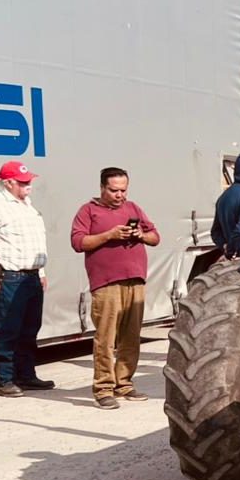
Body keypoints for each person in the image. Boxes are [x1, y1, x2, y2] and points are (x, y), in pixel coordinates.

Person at [70, 167, 160, 409]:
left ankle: (125, 384)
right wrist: (109, 235)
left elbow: (155, 237)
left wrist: (140, 234)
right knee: (106, 337)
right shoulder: (88, 210)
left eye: (123, 190)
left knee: (131, 337)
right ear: (102, 188)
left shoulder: (133, 209)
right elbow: (78, 242)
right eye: (114, 190)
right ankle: (103, 388)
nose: (120, 195)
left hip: (135, 279)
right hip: (106, 282)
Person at [0, 161, 53, 397]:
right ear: (8, 183)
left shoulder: (28, 206)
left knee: (30, 329)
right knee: (7, 329)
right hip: (10, 278)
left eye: (29, 180)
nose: (29, 185)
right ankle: (5, 379)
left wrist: (41, 273)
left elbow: (34, 244)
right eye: (23, 182)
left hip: (31, 278)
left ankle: (26, 375)